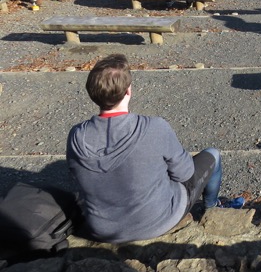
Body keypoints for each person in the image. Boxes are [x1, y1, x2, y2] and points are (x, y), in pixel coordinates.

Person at [66, 54, 222, 244]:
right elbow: (185, 173)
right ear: (128, 91)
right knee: (213, 154)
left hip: (102, 229)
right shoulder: (154, 127)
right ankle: (212, 207)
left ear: (92, 93)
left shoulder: (76, 135)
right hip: (157, 220)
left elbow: (77, 176)